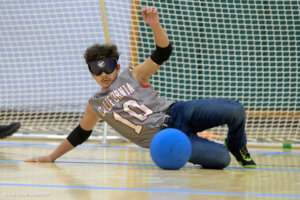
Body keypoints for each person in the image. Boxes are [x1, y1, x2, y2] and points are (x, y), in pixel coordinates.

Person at [25, 6, 256, 169]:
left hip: (177, 112)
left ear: (118, 66)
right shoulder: (95, 105)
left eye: (107, 66)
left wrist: (154, 25)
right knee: (222, 160)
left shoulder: (133, 74)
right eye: (96, 69)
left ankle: (238, 145)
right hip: (165, 141)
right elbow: (80, 134)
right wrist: (52, 156)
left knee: (235, 110)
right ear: (91, 73)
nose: (103, 73)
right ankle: (219, 149)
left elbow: (163, 52)